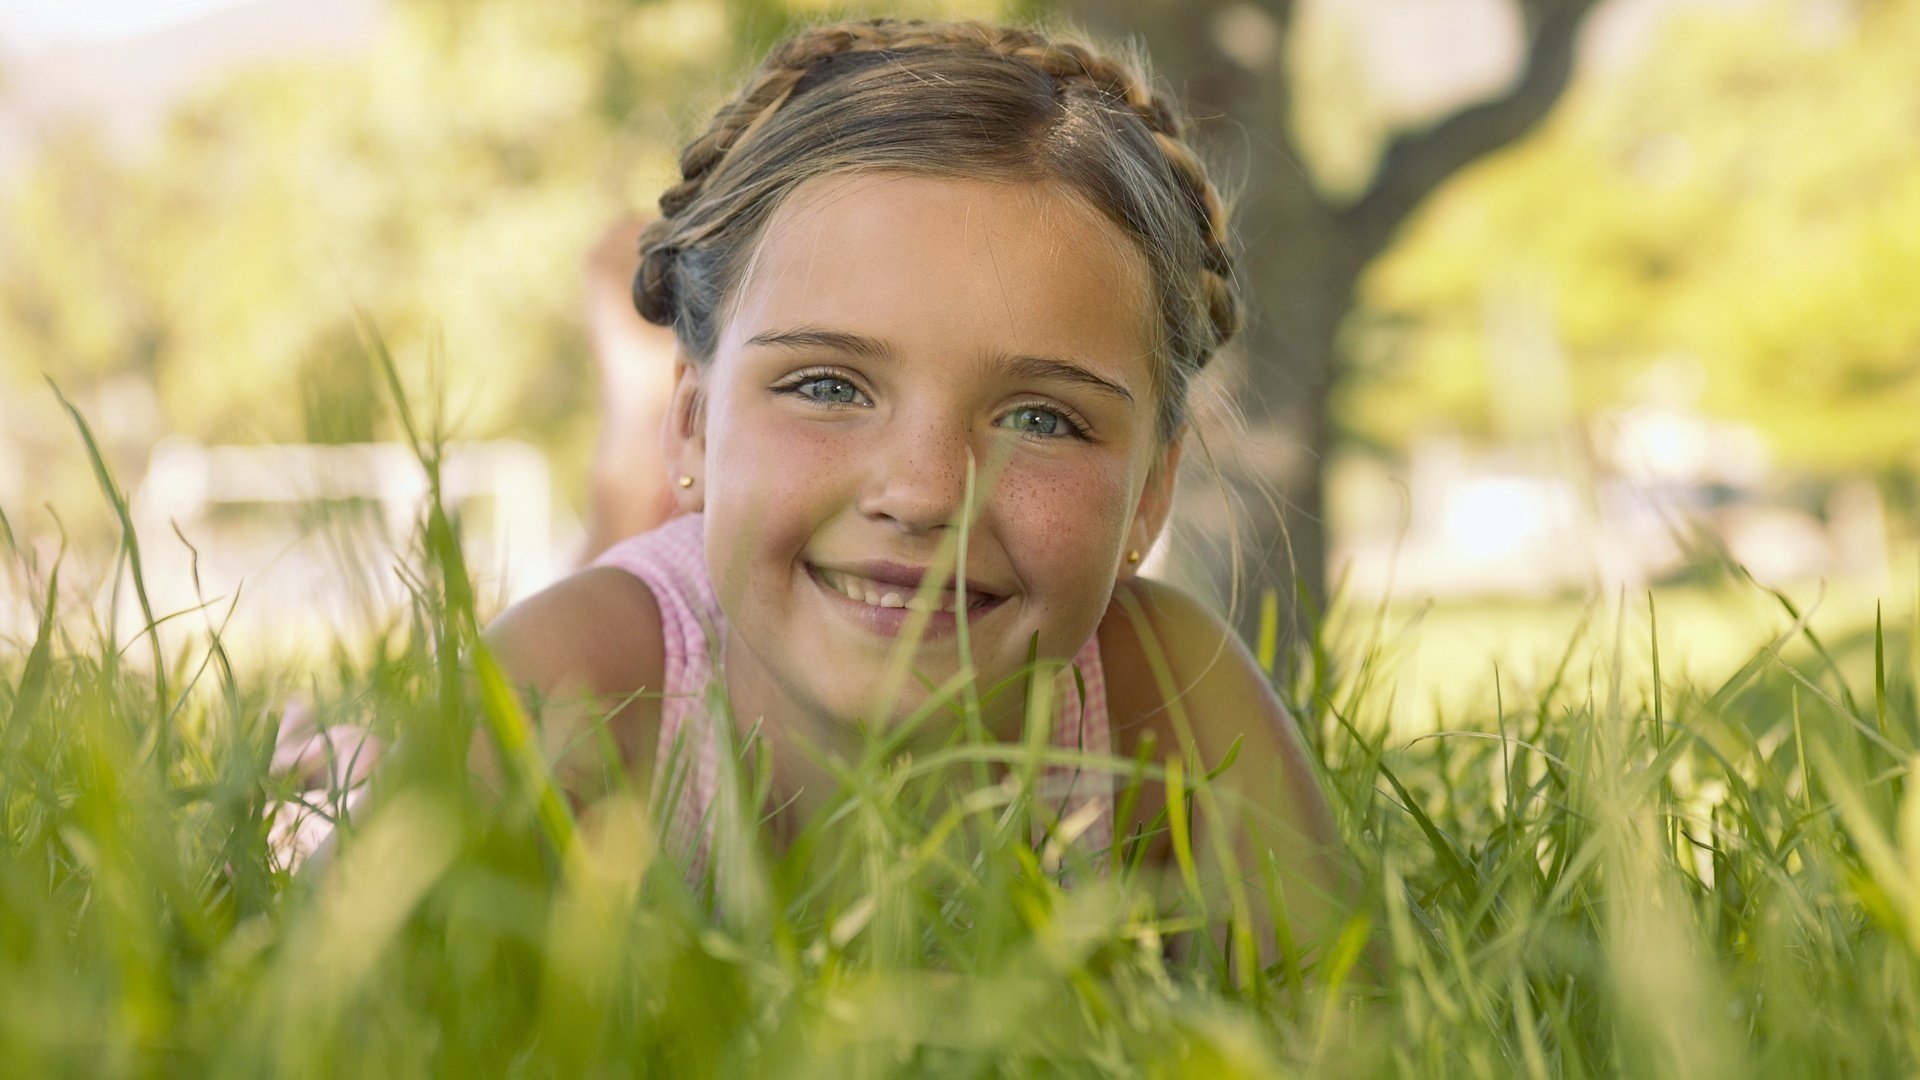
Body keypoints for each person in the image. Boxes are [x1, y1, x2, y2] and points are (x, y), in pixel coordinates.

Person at [485, 18, 1360, 971]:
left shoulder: (1165, 691)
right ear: (694, 424)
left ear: (1152, 492)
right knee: (622, 557)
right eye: (828, 386)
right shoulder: (578, 684)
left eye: (1040, 419)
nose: (925, 493)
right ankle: (632, 466)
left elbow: (1356, 1018)